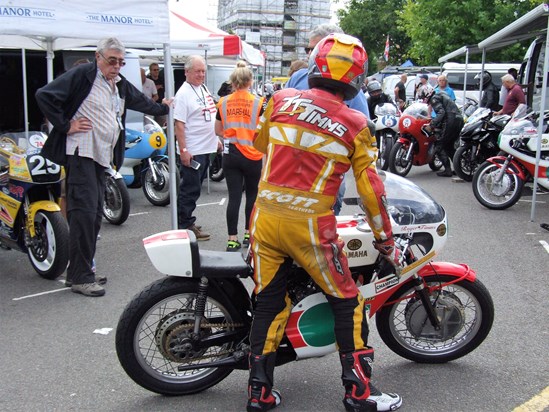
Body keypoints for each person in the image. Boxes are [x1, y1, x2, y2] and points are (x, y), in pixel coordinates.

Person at [246, 33, 403, 412]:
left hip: (264, 219)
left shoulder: (280, 99)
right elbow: (372, 192)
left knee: (268, 302)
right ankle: (359, 392)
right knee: (348, 301)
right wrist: (385, 240)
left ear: (316, 64)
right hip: (312, 227)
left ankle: (259, 393)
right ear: (357, 78)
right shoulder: (356, 123)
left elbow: (262, 142)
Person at [35, 37, 171, 297]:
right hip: (82, 154)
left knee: (93, 215)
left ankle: (79, 271)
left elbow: (138, 100)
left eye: (120, 62)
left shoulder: (117, 83)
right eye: (112, 61)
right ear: (99, 57)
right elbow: (45, 95)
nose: (117, 66)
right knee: (85, 215)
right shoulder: (84, 75)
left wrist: (160, 106)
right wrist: (66, 125)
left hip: (101, 158)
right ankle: (81, 277)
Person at [286, 23, 371, 216]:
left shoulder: (351, 89)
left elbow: (362, 137)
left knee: (321, 234)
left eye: (315, 48)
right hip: (289, 172)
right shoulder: (297, 77)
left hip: (326, 178)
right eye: (309, 49)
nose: (310, 54)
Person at [214, 61, 264, 251]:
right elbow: (263, 132)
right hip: (253, 155)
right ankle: (248, 235)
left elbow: (218, 129)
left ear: (232, 82)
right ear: (250, 81)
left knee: (234, 197)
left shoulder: (223, 102)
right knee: (252, 196)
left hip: (231, 154)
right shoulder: (259, 103)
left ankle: (231, 239)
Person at [173, 55, 220, 240]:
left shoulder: (202, 88)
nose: (201, 75)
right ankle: (184, 224)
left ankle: (187, 220)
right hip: (193, 150)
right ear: (187, 72)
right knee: (190, 189)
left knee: (196, 188)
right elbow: (179, 124)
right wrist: (184, 150)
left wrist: (215, 138)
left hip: (205, 147)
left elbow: (209, 114)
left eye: (203, 71)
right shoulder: (183, 94)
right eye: (197, 71)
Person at [423, 89, 464, 177]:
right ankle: (458, 169)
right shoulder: (442, 95)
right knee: (449, 146)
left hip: (451, 121)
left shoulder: (434, 98)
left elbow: (441, 112)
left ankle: (447, 170)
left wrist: (432, 125)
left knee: (439, 145)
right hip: (459, 120)